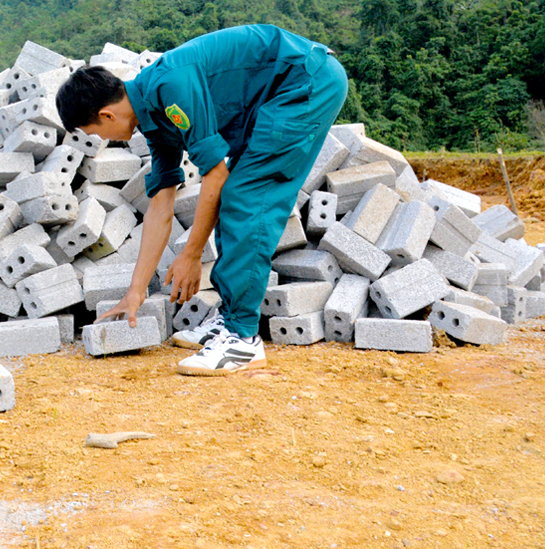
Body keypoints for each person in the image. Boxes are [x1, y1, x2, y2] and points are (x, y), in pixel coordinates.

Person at [55, 24, 347, 375]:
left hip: (305, 83)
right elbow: (161, 207)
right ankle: (231, 320)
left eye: (95, 133)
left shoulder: (170, 86)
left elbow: (216, 176)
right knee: (235, 195)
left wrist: (192, 253)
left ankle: (242, 340)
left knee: (246, 196)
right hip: (276, 95)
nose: (102, 139)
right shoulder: (154, 119)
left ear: (106, 115)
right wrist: (135, 293)